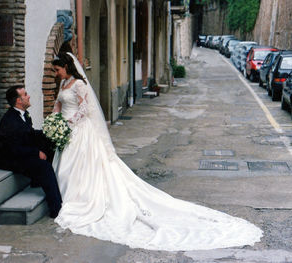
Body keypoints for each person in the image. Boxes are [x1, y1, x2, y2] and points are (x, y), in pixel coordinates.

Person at [51, 52, 263, 251]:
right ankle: (69, 197)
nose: (55, 73)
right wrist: (54, 121)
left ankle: (80, 200)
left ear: (66, 66)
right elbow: (58, 105)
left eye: (57, 69)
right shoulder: (63, 83)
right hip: (68, 129)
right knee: (68, 165)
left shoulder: (79, 84)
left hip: (80, 130)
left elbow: (84, 109)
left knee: (81, 166)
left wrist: (69, 123)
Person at [0, 85, 62, 218]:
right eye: (25, 94)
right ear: (19, 101)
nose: (29, 96)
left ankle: (37, 181)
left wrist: (50, 134)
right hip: (10, 159)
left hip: (22, 152)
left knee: (50, 145)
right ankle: (56, 208)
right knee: (44, 167)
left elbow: (29, 135)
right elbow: (12, 148)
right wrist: (36, 152)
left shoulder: (23, 114)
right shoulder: (10, 120)